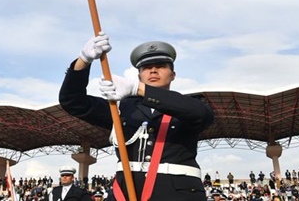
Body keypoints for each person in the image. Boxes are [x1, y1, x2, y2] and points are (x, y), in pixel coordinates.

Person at [59, 33, 215, 201]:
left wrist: (138, 89)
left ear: (173, 75)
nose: (153, 70)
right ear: (140, 75)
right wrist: (83, 61)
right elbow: (72, 102)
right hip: (125, 193)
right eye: (146, 68)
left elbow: (201, 114)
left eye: (161, 66)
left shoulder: (188, 105)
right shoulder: (122, 108)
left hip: (176, 194)